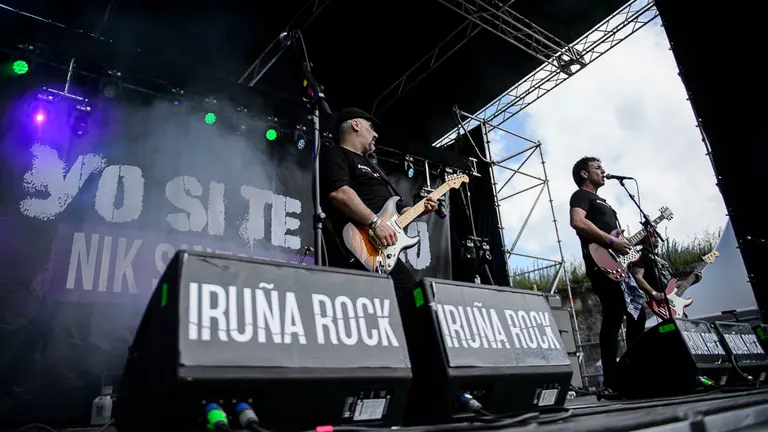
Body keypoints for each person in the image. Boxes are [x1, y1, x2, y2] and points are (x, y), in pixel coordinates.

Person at [318, 107, 437, 297]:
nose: (375, 134)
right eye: (371, 127)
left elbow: (398, 212)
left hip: (381, 250)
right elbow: (340, 193)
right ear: (356, 125)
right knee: (411, 297)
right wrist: (375, 223)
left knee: (417, 297)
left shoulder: (374, 166)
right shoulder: (337, 154)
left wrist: (420, 209)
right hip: (358, 245)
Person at [568, 156, 645, 391]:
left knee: (637, 315)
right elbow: (577, 222)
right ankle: (612, 379)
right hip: (601, 266)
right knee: (614, 317)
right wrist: (612, 240)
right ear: (584, 173)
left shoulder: (603, 201)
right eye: (597, 167)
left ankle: (634, 371)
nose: (603, 170)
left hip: (618, 266)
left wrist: (619, 238)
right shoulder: (581, 195)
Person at [630, 230, 703, 318]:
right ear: (645, 239)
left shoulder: (659, 259)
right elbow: (637, 276)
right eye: (653, 236)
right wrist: (654, 294)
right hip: (659, 304)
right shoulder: (642, 255)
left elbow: (674, 285)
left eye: (657, 235)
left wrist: (692, 280)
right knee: (668, 328)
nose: (657, 237)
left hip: (673, 304)